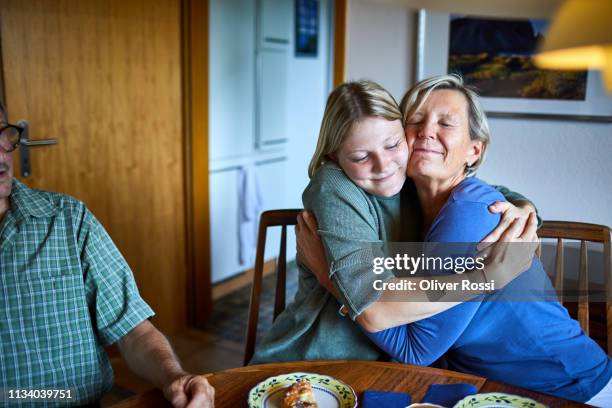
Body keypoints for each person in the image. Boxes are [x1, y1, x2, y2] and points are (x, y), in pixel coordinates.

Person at [300, 75, 612, 405]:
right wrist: (525, 205)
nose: (425, 131)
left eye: (445, 123)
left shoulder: (470, 212)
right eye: (415, 120)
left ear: (474, 150)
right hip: (485, 389)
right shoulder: (408, 197)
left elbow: (414, 348)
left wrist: (328, 276)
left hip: (566, 388)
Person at [250, 79, 538, 364]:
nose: (384, 165)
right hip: (311, 360)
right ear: (334, 156)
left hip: (378, 365)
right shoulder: (336, 185)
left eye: (392, 145)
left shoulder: (411, 181)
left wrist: (525, 208)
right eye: (362, 156)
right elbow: (374, 311)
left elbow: (494, 195)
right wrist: (486, 278)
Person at [0, 102, 214, 407]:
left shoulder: (67, 219)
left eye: (4, 134)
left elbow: (133, 331)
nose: (2, 154)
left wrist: (174, 376)